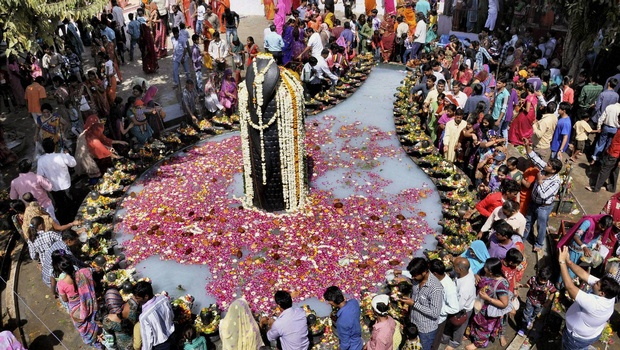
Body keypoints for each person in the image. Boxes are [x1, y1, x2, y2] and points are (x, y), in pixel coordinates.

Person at [558, 246, 620, 350]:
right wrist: (569, 262)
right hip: (590, 335)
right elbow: (584, 275)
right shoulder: (610, 294)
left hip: (576, 339)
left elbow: (569, 286)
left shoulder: (596, 304)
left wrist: (562, 262)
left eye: (597, 284)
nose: (594, 282)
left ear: (601, 293)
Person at [522, 138, 563, 252]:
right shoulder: (544, 169)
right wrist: (527, 146)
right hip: (533, 202)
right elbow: (534, 158)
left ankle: (539, 244)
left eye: (548, 165)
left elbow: (544, 195)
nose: (546, 165)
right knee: (528, 221)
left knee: (541, 226)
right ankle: (523, 238)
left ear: (553, 170)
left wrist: (539, 181)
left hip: (543, 207)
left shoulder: (556, 182)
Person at [55, 255, 100, 346]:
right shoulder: (84, 272)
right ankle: (100, 337)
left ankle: (95, 342)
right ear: (72, 263)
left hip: (76, 310)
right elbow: (93, 284)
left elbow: (65, 299)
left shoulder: (61, 284)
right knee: (93, 320)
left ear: (61, 269)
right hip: (90, 303)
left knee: (85, 327)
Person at [466, 258, 510, 350]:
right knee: (475, 322)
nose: (484, 267)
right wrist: (476, 275)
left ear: (491, 272)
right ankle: (472, 335)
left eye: (486, 267)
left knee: (484, 328)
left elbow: (504, 303)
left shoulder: (501, 284)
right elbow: (480, 278)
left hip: (488, 312)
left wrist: (488, 298)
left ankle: (478, 344)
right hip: (479, 306)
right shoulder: (485, 273)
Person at [400, 258, 443, 350]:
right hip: (414, 322)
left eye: (414, 276)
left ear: (423, 272)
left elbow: (434, 313)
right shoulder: (417, 280)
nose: (413, 278)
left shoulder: (435, 288)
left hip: (425, 329)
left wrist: (413, 304)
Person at [37, 138, 76, 224]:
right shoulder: (61, 156)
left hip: (53, 187)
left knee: (60, 204)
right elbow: (73, 163)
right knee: (70, 201)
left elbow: (40, 175)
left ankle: (66, 221)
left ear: (44, 149)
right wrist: (68, 154)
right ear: (54, 147)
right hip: (66, 184)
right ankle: (74, 217)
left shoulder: (41, 160)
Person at [442, 257, 476, 350]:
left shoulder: (465, 287)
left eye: (454, 267)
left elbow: (458, 306)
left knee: (458, 327)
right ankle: (445, 338)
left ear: (460, 269)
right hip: (457, 303)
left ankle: (455, 343)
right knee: (449, 323)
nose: (453, 268)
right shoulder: (465, 272)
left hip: (462, 310)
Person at [134, 281, 175, 349]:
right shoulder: (164, 299)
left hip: (161, 346)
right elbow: (172, 316)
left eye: (138, 298)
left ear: (146, 296)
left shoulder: (144, 317)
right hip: (172, 336)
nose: (136, 300)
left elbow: (148, 341)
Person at [429, 259, 459, 350]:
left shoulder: (449, 288)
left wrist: (439, 309)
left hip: (438, 319)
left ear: (435, 273)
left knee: (434, 341)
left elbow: (454, 308)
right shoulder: (436, 279)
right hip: (430, 316)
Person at [517, 266, 556, 337]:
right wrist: (522, 285)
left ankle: (531, 320)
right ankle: (523, 327)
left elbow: (553, 292)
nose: (542, 282)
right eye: (541, 279)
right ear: (538, 274)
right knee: (527, 313)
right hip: (530, 299)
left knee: (536, 313)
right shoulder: (533, 279)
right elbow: (528, 284)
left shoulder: (549, 284)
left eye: (544, 280)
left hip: (540, 303)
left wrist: (548, 302)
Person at [323, 286, 364, 350]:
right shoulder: (354, 302)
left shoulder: (341, 322)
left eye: (329, 301)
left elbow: (345, 344)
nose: (328, 303)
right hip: (358, 341)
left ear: (332, 302)